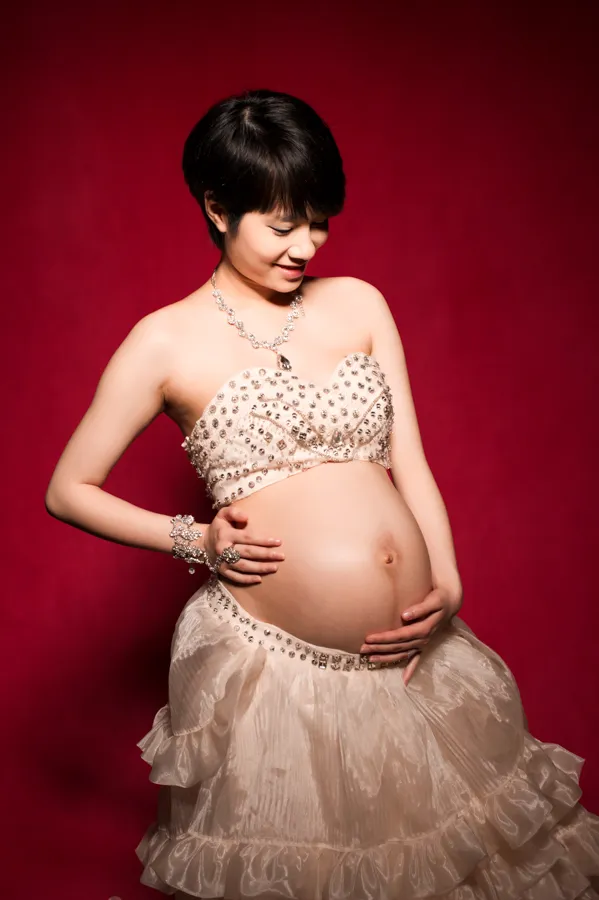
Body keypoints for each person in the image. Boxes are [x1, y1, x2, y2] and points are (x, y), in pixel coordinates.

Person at [45, 88, 599, 900]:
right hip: (277, 680)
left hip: (412, 659)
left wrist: (447, 583)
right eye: (282, 226)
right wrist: (195, 538)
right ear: (217, 208)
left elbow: (410, 463)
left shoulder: (359, 303)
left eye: (320, 222)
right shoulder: (163, 341)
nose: (305, 245)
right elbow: (68, 489)